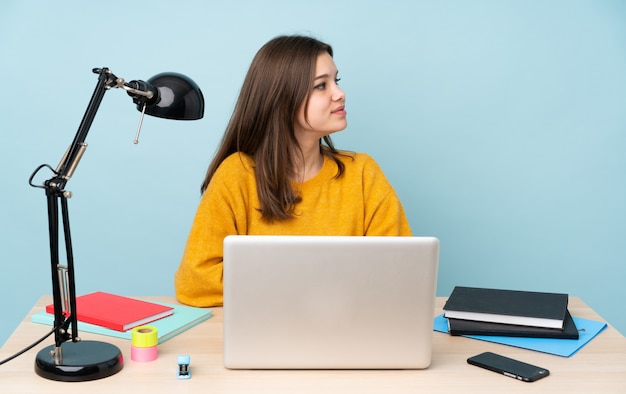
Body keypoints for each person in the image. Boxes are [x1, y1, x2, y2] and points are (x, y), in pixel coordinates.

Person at [174, 35, 411, 307]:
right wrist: (321, 286)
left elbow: (400, 271)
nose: (339, 93)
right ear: (282, 99)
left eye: (337, 81)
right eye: (321, 85)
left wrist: (279, 282)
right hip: (264, 335)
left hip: (346, 331)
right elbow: (195, 282)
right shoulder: (237, 174)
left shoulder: (363, 173)